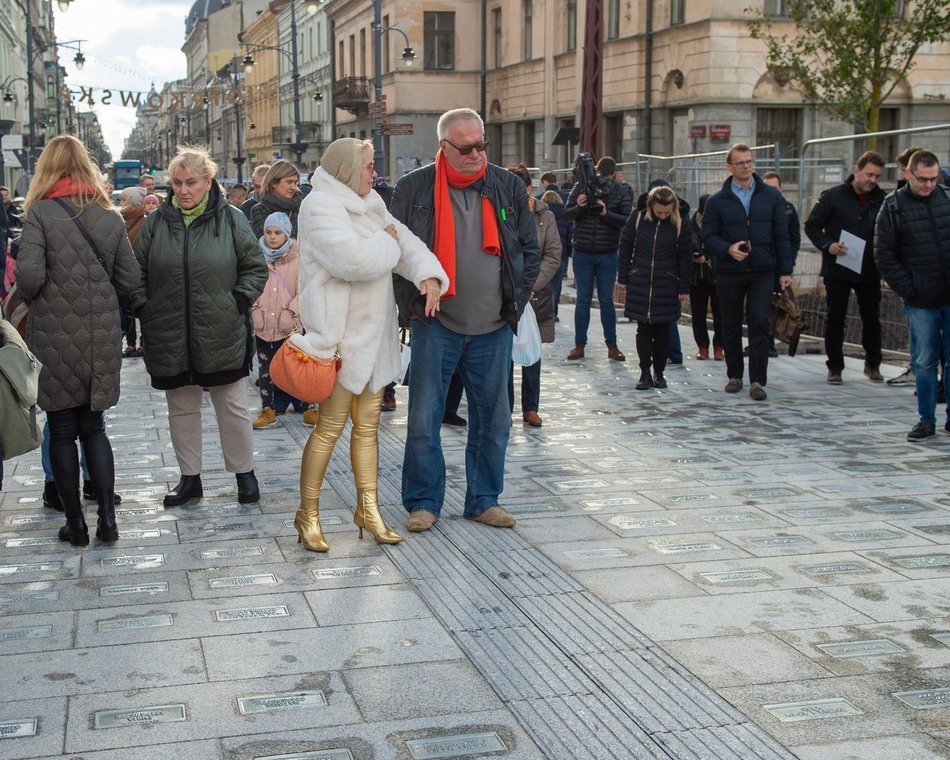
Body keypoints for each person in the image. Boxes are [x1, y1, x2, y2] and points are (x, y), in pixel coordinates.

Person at [293, 137, 448, 551]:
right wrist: (387, 240)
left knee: (368, 430)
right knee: (328, 430)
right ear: (346, 168)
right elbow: (353, 262)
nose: (373, 172)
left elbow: (406, 242)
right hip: (339, 339)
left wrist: (426, 273)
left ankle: (369, 509)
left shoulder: (372, 203)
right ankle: (307, 514)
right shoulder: (319, 205)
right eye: (367, 165)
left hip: (375, 338)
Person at [390, 107, 539, 532]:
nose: (477, 154)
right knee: (423, 420)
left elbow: (530, 251)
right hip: (436, 325)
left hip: (493, 327)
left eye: (482, 145)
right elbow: (397, 255)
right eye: (467, 147)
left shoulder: (506, 186)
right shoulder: (414, 188)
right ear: (443, 146)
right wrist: (414, 309)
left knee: (494, 421)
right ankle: (423, 502)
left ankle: (484, 499)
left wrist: (516, 300)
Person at [16, 134, 141, 546]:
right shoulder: (109, 214)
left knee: (62, 427)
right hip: (101, 334)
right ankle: (108, 520)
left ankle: (76, 524)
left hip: (54, 332)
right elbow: (130, 278)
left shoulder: (40, 213)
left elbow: (30, 278)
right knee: (95, 427)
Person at [131, 145, 267, 507]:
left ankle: (245, 475)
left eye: (191, 182)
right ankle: (190, 479)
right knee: (181, 407)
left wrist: (237, 300)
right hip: (169, 331)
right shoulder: (156, 223)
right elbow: (135, 273)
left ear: (208, 182)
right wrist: (146, 307)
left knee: (232, 405)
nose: (183, 189)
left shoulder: (231, 218)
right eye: (177, 183)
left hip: (222, 328)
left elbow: (255, 267)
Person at [702, 143, 793, 401]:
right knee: (729, 323)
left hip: (762, 269)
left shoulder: (771, 196)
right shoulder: (716, 201)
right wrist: (727, 248)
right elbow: (708, 236)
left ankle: (757, 381)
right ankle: (735, 375)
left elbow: (781, 234)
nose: (746, 166)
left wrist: (785, 269)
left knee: (759, 322)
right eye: (741, 162)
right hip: (730, 271)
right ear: (729, 167)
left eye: (749, 161)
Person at [875, 149, 950, 441]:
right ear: (908, 173)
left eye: (934, 179)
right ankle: (926, 419)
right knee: (925, 362)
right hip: (920, 300)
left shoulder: (946, 198)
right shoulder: (892, 207)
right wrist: (910, 288)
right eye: (923, 179)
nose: (929, 185)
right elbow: (884, 256)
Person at [804, 151, 886, 384]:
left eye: (877, 176)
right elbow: (812, 226)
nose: (872, 180)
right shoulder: (833, 197)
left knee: (871, 317)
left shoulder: (881, 199)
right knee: (835, 318)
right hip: (838, 268)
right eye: (869, 174)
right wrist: (827, 245)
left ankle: (873, 363)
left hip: (869, 268)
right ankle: (835, 367)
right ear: (857, 171)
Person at [618, 185, 692, 390]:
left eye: (667, 213)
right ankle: (644, 373)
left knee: (662, 330)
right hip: (640, 279)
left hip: (667, 282)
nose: (662, 215)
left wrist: (683, 287)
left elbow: (685, 256)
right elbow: (625, 246)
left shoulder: (680, 222)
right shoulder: (638, 217)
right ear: (651, 206)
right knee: (643, 330)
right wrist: (623, 276)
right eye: (659, 211)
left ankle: (659, 373)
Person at [250, 211, 317, 428]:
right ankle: (268, 409)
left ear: (287, 234)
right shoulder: (256, 256)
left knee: (298, 368)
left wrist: (292, 312)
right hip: (263, 325)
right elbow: (251, 285)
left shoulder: (298, 258)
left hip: (291, 326)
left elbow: (305, 289)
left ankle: (308, 406)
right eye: (268, 232)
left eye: (277, 232)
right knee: (266, 369)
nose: (272, 237)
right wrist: (255, 310)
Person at [563, 155, 632, 361]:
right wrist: (580, 206)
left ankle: (610, 345)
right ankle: (580, 344)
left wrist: (605, 213)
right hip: (584, 250)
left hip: (607, 251)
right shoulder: (582, 187)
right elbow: (567, 214)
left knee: (604, 301)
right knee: (585, 300)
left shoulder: (620, 191)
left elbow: (626, 221)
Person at [508, 164, 561, 426]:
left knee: (532, 354)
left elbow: (553, 254)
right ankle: (503, 410)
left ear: (529, 189)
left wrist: (531, 285)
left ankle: (530, 407)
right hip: (505, 294)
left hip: (535, 295)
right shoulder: (500, 213)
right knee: (502, 356)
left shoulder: (544, 215)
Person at [689, 194, 723, 360]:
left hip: (717, 275)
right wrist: (693, 255)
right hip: (697, 275)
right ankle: (702, 346)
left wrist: (709, 258)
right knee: (698, 313)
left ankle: (719, 346)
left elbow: (723, 247)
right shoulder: (691, 224)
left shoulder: (721, 223)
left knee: (720, 312)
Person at [118, 186, 149, 358]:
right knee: (127, 312)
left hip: (141, 275)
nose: (121, 204)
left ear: (135, 203)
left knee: (142, 312)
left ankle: (144, 344)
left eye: (125, 200)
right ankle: (130, 345)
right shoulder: (121, 221)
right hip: (126, 276)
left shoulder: (145, 222)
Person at [250, 160, 303, 239]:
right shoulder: (260, 210)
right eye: (289, 182)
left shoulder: (302, 207)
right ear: (274, 183)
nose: (293, 187)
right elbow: (268, 242)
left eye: (295, 183)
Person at [542, 188, 572, 321]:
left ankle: (544, 312)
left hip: (544, 256)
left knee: (543, 285)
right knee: (556, 285)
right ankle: (554, 313)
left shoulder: (542, 214)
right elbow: (570, 236)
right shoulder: (565, 214)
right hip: (561, 255)